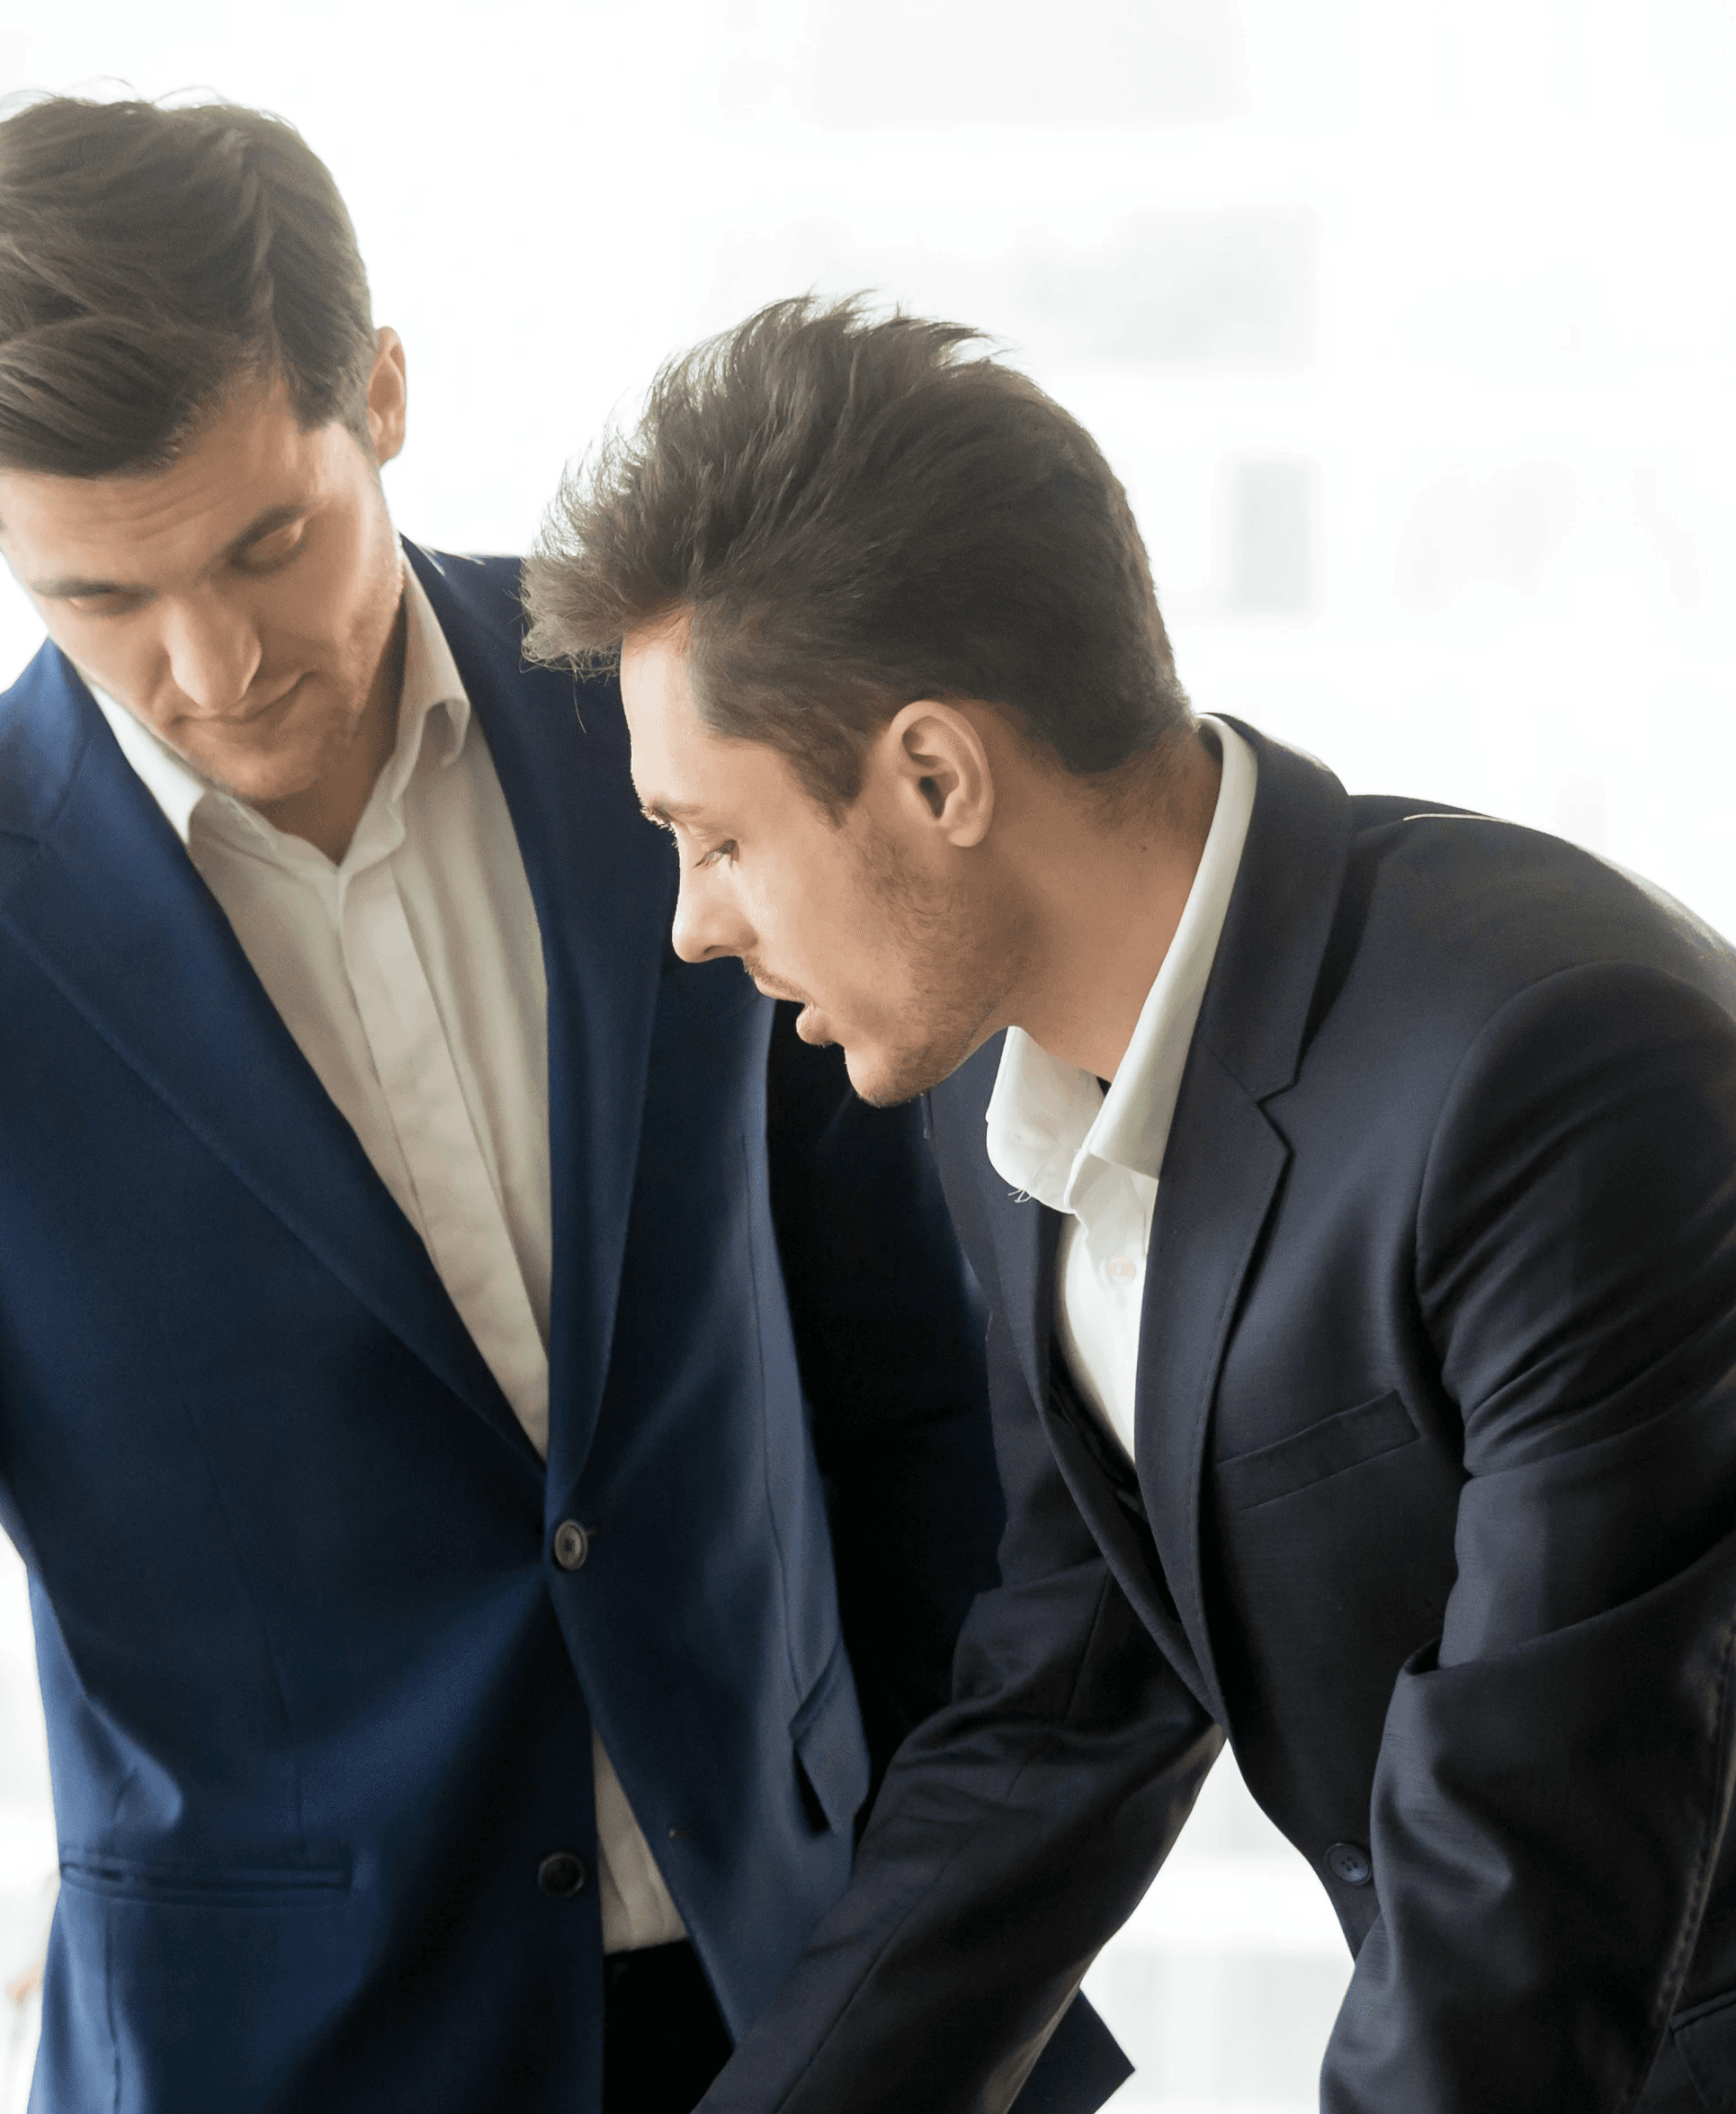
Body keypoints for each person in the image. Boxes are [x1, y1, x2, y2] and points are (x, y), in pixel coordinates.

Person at [0, 112, 1130, 2114]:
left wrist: (992, 1994)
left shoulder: (678, 725)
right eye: (104, 595)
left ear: (381, 391)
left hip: (818, 2000)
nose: (213, 659)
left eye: (270, 540)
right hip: (288, 2063)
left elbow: (913, 1395)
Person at [520, 295, 1736, 2114]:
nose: (695, 920)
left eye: (716, 835)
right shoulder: (1001, 1089)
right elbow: (1063, 1701)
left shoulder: (1558, 1070)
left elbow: (1530, 1871)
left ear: (937, 777)